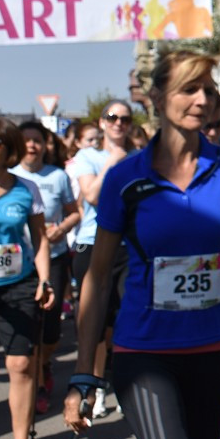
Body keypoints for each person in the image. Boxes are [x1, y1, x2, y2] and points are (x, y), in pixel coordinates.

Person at [63, 50, 220, 439]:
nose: (202, 100)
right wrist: (83, 372)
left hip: (213, 350)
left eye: (208, 90)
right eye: (188, 89)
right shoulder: (125, 177)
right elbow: (97, 280)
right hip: (144, 351)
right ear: (156, 97)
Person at [0, 119, 54, 439]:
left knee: (21, 363)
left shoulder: (27, 189)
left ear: (9, 149)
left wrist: (44, 279)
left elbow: (39, 238)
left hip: (18, 283)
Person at [71, 99, 136, 418]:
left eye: (124, 118)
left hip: (129, 247)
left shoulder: (138, 157)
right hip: (91, 243)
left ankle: (125, 386)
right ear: (101, 122)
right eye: (112, 117)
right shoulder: (88, 157)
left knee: (123, 322)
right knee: (94, 325)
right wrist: (113, 160)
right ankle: (94, 390)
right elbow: (93, 196)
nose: (118, 123)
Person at [12, 122, 81, 416]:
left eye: (37, 140)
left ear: (45, 145)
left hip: (53, 257)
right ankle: (38, 383)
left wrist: (61, 229)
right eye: (26, 140)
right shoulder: (9, 177)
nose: (31, 146)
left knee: (51, 330)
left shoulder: (58, 176)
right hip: (19, 264)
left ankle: (43, 362)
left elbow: (75, 212)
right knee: (30, 327)